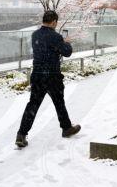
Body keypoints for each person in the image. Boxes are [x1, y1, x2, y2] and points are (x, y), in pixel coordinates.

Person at [15, 10, 81, 148]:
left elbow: (45, 49)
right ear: (54, 22)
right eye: (56, 23)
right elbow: (67, 52)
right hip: (52, 76)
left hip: (37, 74)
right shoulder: (56, 37)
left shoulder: (35, 35)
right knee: (59, 102)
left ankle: (21, 135)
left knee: (32, 105)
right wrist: (66, 42)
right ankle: (66, 128)